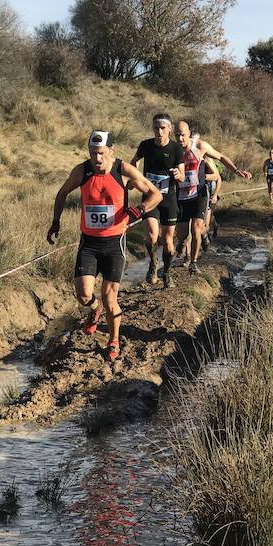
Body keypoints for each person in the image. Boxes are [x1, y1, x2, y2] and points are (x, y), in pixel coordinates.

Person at [47, 130, 162, 361]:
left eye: (100, 153)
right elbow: (61, 193)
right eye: (92, 154)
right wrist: (55, 222)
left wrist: (139, 210)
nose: (96, 159)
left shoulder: (124, 170)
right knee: (83, 295)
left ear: (111, 150)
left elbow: (155, 194)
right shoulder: (82, 170)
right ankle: (94, 310)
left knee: (111, 297)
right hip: (88, 242)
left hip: (114, 242)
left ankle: (113, 340)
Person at [173, 122, 250, 273]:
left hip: (199, 194)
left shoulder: (200, 146)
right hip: (182, 195)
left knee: (196, 229)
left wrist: (236, 170)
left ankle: (194, 263)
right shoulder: (172, 149)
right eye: (177, 135)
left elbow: (220, 157)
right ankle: (184, 245)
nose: (180, 138)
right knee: (182, 235)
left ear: (189, 133)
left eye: (183, 134)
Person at [129, 113, 184, 288]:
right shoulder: (146, 145)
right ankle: (153, 264)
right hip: (150, 198)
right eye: (156, 128)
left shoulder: (176, 149)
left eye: (162, 128)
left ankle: (167, 273)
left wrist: (178, 174)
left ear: (169, 129)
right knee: (152, 234)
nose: (159, 132)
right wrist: (133, 175)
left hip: (169, 198)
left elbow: (182, 175)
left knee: (168, 241)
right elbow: (134, 161)